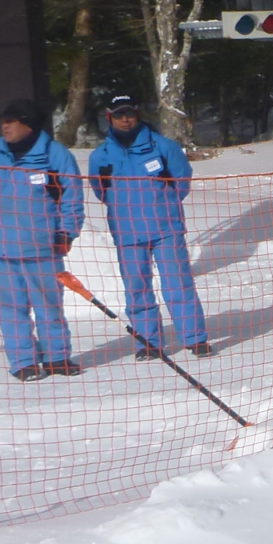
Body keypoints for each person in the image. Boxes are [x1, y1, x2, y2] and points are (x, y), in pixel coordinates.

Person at [88, 93, 211, 359]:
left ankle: (195, 339)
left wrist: (162, 203)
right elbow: (100, 190)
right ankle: (149, 343)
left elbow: (182, 181)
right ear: (110, 117)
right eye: (119, 115)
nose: (125, 119)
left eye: (130, 113)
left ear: (138, 114)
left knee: (178, 284)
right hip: (127, 233)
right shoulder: (100, 157)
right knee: (137, 288)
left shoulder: (164, 147)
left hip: (166, 229)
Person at [0, 97, 84, 380]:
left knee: (49, 308)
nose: (4, 126)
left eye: (10, 121)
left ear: (28, 124)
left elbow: (72, 197)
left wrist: (66, 232)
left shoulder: (56, 156)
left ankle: (57, 358)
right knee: (11, 312)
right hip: (3, 252)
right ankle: (24, 362)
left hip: (42, 250)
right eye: (3, 122)